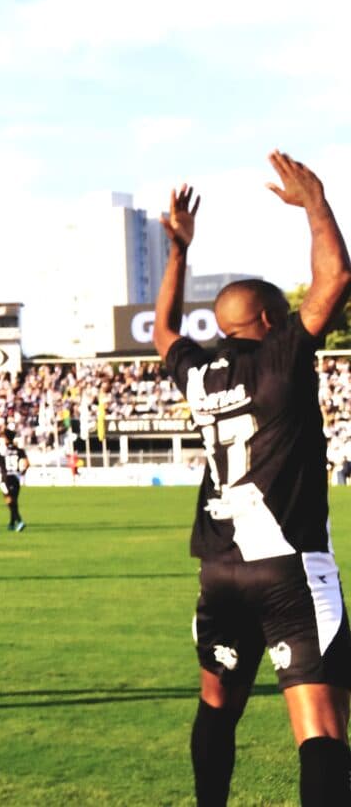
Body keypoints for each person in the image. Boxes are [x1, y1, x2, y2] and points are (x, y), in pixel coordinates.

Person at [154, 154, 351, 807]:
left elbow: (162, 333)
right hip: (289, 565)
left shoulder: (196, 374)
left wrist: (177, 249)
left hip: (220, 570)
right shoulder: (281, 360)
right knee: (320, 727)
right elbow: (336, 278)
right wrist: (317, 203)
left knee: (218, 707)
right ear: (269, 319)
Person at [0, 429, 29, 531]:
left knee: (9, 501)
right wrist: (23, 472)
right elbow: (27, 463)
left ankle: (19, 521)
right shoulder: (19, 450)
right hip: (16, 477)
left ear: (6, 438)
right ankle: (11, 524)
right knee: (14, 501)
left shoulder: (1, 450)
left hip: (5, 478)